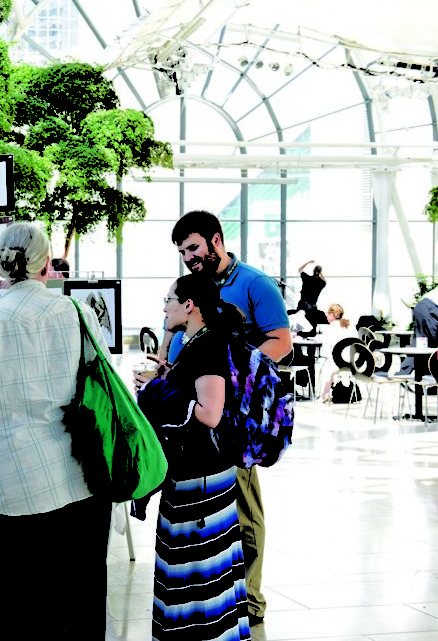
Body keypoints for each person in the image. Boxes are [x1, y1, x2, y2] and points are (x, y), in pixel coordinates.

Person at [0, 221, 112, 640]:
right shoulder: (78, 313)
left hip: (14, 487)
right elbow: (107, 389)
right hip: (80, 479)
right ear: (47, 265)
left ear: (1, 266)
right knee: (82, 606)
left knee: (25, 612)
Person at [160, 210, 290, 628]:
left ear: (216, 240)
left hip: (229, 419)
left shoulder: (253, 283)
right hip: (195, 417)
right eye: (182, 252)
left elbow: (282, 342)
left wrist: (235, 376)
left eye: (194, 247)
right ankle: (218, 595)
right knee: (209, 513)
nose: (189, 257)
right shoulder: (193, 290)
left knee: (244, 509)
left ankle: (250, 600)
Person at [134, 274, 251, 639]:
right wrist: (169, 378)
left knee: (195, 575)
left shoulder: (208, 344)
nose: (164, 307)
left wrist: (158, 388)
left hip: (200, 482)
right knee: (197, 573)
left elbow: (210, 412)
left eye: (168, 300)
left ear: (189, 305)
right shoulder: (198, 341)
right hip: (199, 476)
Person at [317, 303, 353, 401]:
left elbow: (326, 349)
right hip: (351, 360)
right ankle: (329, 390)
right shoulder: (348, 325)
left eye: (327, 314)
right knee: (330, 364)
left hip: (338, 360)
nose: (326, 316)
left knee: (325, 367)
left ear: (332, 314)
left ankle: (324, 394)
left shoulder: (330, 328)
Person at [289, 260, 328, 332]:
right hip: (312, 307)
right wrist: (320, 273)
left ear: (313, 271)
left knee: (298, 324)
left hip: (303, 306)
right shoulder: (321, 283)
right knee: (312, 326)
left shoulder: (307, 278)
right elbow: (325, 281)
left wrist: (308, 262)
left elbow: (299, 269)